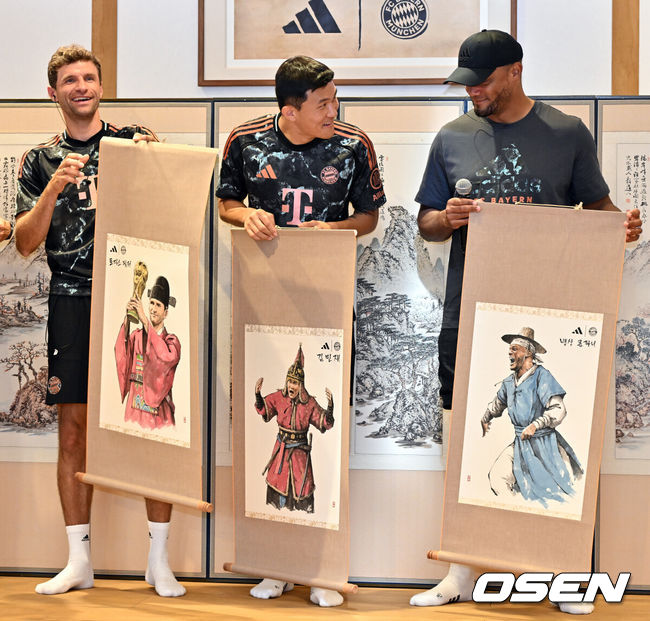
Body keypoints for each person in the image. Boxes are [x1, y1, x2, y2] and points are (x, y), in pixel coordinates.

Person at [412, 30, 643, 615]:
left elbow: (600, 212)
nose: (473, 94)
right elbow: (427, 224)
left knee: (555, 445)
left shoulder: (566, 133)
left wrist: (622, 227)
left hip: (547, 313)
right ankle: (461, 569)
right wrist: (448, 217)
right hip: (468, 310)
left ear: (515, 71)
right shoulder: (452, 137)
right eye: (466, 85)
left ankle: (560, 570)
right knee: (463, 436)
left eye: (483, 82)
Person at [14, 45, 184, 597]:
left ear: (101, 86)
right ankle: (78, 560)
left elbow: (172, 208)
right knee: (74, 431)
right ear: (53, 92)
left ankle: (158, 560)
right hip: (71, 296)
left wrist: (153, 164)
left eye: (89, 77)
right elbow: (24, 243)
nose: (81, 86)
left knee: (151, 425)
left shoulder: (133, 141)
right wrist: (53, 189)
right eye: (70, 80)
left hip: (134, 299)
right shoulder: (39, 160)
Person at [217, 55, 385, 607]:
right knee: (263, 445)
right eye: (322, 104)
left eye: (335, 100)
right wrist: (246, 216)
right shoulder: (245, 141)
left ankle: (323, 568)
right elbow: (226, 202)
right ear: (289, 109)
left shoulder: (353, 145)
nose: (333, 111)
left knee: (326, 441)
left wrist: (331, 229)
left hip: (329, 302)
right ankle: (275, 563)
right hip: (263, 304)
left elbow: (369, 216)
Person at [481, 327, 582, 504]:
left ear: (528, 352)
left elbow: (559, 409)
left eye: (514, 349)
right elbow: (497, 405)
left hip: (545, 445)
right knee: (498, 477)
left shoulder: (542, 377)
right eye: (509, 349)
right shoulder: (508, 382)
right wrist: (485, 418)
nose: (509, 352)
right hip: (520, 444)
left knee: (555, 491)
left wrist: (536, 424)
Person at [255, 344, 334, 513]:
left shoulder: (309, 403)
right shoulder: (279, 397)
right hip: (280, 453)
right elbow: (264, 409)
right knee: (277, 486)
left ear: (301, 385)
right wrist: (257, 395)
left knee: (301, 489)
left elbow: (324, 422)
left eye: (296, 383)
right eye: (290, 381)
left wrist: (330, 408)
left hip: (300, 456)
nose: (292, 386)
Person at [115, 275, 180, 430]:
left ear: (166, 312)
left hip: (158, 412)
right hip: (134, 407)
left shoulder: (171, 342)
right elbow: (122, 353)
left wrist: (145, 321)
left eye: (158, 305)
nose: (153, 309)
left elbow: (165, 358)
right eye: (151, 303)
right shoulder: (137, 336)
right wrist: (128, 318)